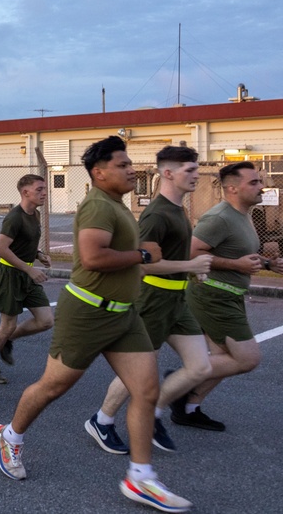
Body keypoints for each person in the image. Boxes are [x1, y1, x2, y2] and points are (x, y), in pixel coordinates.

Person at [0, 136, 192, 513]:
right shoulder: (99, 205)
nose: (132, 168)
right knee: (52, 387)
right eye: (122, 164)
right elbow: (93, 256)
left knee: (146, 390)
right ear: (99, 173)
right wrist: (142, 253)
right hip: (87, 312)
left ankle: (141, 476)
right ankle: (9, 435)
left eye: (130, 162)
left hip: (123, 314)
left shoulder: (117, 205)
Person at [85, 146, 214, 454]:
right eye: (189, 170)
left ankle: (153, 411)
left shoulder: (177, 208)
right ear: (167, 173)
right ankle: (102, 420)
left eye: (196, 169)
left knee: (200, 366)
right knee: (141, 368)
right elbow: (142, 264)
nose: (196, 175)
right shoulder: (156, 214)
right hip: (154, 299)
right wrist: (188, 265)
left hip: (177, 300)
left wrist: (189, 271)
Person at [177, 161, 277, 431]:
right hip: (213, 295)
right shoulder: (219, 217)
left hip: (228, 295)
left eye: (260, 181)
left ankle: (188, 408)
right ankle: (178, 381)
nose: (261, 186)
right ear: (232, 188)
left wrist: (267, 264)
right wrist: (237, 266)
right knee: (247, 358)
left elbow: (237, 253)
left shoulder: (243, 214)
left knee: (222, 356)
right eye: (254, 182)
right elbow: (191, 253)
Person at [0, 174, 54, 385]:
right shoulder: (14, 217)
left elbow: (25, 243)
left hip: (26, 273)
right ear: (25, 192)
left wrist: (39, 254)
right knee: (7, 325)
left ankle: (8, 340)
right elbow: (0, 249)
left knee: (46, 321)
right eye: (39, 189)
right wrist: (29, 270)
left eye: (44, 189)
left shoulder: (35, 214)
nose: (44, 193)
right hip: (11, 274)